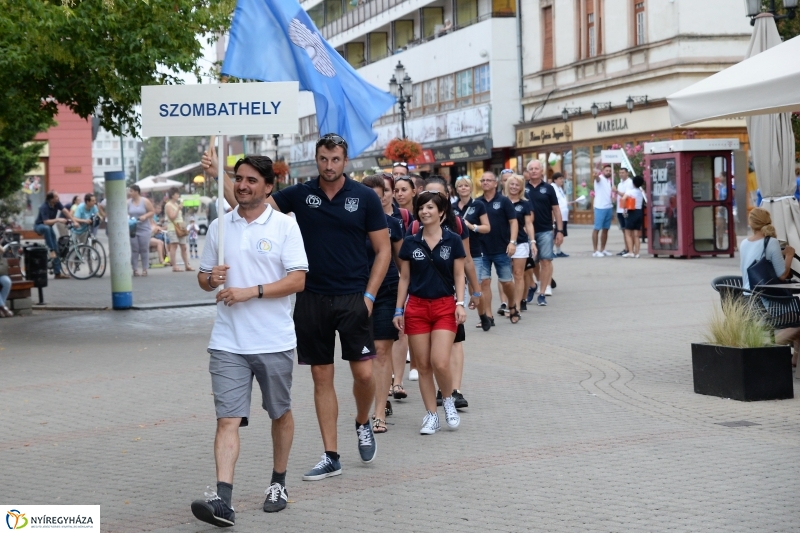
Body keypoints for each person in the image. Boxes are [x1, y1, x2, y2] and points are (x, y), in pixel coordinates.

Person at [204, 133, 391, 479]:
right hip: (311, 297)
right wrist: (221, 175)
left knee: (364, 373)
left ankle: (363, 420)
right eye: (323, 159)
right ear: (316, 158)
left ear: (345, 161)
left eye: (335, 159)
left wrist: (369, 296)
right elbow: (248, 205)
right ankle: (331, 454)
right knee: (322, 376)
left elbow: (383, 251)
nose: (329, 165)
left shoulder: (364, 197)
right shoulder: (301, 195)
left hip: (353, 297)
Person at [191, 156, 308, 526]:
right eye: (238, 179)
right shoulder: (219, 227)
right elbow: (203, 277)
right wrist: (211, 279)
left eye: (251, 180)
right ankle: (223, 500)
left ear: (268, 186)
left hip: (273, 340)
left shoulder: (285, 227)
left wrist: (250, 291)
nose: (242, 185)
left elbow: (297, 280)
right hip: (228, 342)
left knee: (279, 413)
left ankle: (278, 482)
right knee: (227, 419)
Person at [393, 191, 466, 434]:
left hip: (445, 306)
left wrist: (460, 303)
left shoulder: (453, 240)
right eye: (421, 208)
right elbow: (404, 278)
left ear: (442, 212)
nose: (425, 211)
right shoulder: (411, 242)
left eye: (430, 207)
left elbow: (459, 274)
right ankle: (431, 415)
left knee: (440, 362)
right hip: (416, 308)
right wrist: (398, 309)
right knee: (422, 365)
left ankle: (447, 400)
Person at [423, 177, 481, 408]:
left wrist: (475, 290)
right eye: (427, 194)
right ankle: (441, 387)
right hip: (424, 292)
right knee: (430, 346)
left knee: (455, 340)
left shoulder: (456, 223)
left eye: (438, 194)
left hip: (451, 291)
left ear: (447, 196)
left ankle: (454, 390)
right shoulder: (417, 224)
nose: (432, 200)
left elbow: (467, 259)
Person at [362, 175, 403, 434]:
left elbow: (403, 266)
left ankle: (378, 413)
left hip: (387, 291)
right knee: (363, 357)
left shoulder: (393, 225)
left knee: (381, 349)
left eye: (381, 196)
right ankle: (376, 396)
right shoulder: (350, 226)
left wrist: (404, 302)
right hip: (356, 293)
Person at [740, 208, 799, 368]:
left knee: (796, 315)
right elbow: (782, 275)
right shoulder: (771, 243)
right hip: (767, 302)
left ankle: (795, 359)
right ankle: (766, 345)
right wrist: (789, 256)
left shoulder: (744, 243)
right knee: (798, 319)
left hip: (747, 299)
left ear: (751, 224)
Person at [474, 171, 517, 328]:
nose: (485, 182)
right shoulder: (477, 203)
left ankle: (512, 305)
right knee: (484, 282)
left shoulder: (504, 201)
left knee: (506, 282)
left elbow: (513, 222)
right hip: (482, 249)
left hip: (501, 248)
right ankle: (488, 316)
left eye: (488, 180)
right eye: (483, 180)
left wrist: (512, 242)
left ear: (495, 183)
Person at [525, 160, 563, 306]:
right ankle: (534, 285)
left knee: (545, 260)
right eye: (531, 169)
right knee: (530, 262)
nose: (534, 171)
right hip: (527, 231)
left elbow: (556, 210)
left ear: (542, 171)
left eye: (536, 168)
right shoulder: (523, 188)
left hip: (545, 230)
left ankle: (542, 293)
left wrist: (559, 230)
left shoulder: (548, 188)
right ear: (528, 172)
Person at [505, 175, 536, 319]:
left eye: (517, 185)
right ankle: (506, 304)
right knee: (505, 276)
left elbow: (528, 224)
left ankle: (516, 306)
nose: (514, 187)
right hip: (502, 243)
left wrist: (533, 241)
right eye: (511, 184)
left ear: (521, 187)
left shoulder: (525, 203)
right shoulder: (501, 201)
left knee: (518, 274)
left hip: (520, 243)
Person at [33, 191, 72, 279]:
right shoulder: (44, 207)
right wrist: (58, 219)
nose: (58, 198)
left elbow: (65, 211)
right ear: (51, 199)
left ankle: (57, 273)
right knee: (47, 228)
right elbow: (46, 222)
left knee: (56, 248)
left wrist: (73, 220)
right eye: (56, 197)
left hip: (49, 228)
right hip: (39, 226)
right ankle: (51, 250)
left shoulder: (57, 203)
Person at [128, 185, 156, 277]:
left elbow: (152, 211)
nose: (130, 193)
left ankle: (145, 269)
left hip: (144, 229)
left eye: (131, 191)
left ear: (137, 192)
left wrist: (145, 216)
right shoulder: (128, 202)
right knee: (134, 249)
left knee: (144, 249)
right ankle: (135, 269)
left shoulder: (145, 201)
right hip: (133, 229)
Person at [165, 187, 194, 273]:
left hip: (180, 227)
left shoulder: (177, 204)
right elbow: (172, 217)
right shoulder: (168, 205)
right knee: (174, 245)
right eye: (177, 194)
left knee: (183, 247)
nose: (178, 195)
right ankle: (174, 266)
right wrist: (178, 209)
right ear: (172, 195)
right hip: (173, 228)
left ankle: (187, 265)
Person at [592, 164, 614, 257]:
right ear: (603, 171)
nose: (608, 172)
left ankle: (603, 249)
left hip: (608, 207)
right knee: (597, 229)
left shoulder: (609, 181)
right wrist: (596, 175)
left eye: (609, 170)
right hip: (600, 207)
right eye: (606, 170)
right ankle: (595, 250)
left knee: (606, 229)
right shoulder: (600, 179)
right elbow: (597, 178)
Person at [621, 176, 645, 258]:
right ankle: (637, 253)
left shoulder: (630, 192)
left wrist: (624, 208)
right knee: (636, 235)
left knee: (628, 234)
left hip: (631, 212)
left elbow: (623, 199)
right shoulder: (641, 192)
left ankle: (630, 251)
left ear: (633, 183)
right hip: (639, 212)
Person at [614, 168, 633, 256]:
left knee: (627, 230)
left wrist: (617, 191)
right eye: (620, 173)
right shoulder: (619, 183)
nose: (621, 174)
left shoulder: (630, 182)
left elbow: (626, 195)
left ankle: (629, 249)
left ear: (627, 173)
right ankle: (626, 248)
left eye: (623, 172)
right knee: (623, 230)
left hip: (626, 209)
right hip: (619, 209)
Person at [551, 173, 570, 258]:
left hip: (564, 215)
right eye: (560, 178)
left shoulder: (560, 189)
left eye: (562, 179)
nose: (562, 180)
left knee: (560, 234)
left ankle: (558, 251)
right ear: (555, 180)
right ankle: (551, 251)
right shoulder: (552, 188)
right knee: (554, 234)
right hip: (557, 216)